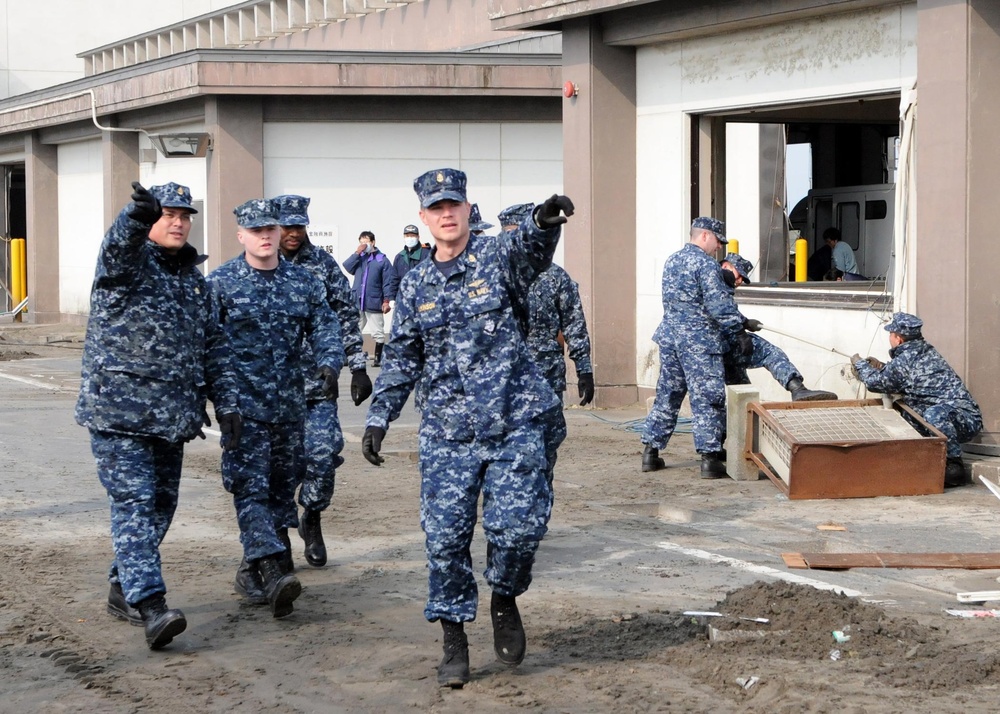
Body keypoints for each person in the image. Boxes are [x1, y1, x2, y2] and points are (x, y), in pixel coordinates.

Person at [360, 167, 574, 688]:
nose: (446, 214)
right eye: (435, 208)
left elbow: (530, 250)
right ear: (423, 217)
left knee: (519, 529)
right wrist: (379, 417)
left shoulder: (497, 258)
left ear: (465, 207)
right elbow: (402, 357)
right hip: (447, 432)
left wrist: (544, 221)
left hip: (514, 421)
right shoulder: (415, 285)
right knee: (445, 538)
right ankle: (453, 637)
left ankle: (504, 595)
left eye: (452, 204)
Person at [76, 181, 242, 650]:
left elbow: (214, 346)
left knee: (161, 507)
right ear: (152, 220)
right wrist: (133, 219)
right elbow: (116, 249)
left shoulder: (194, 282)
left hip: (171, 417)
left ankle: (122, 585)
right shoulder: (127, 265)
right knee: (136, 503)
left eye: (185, 216)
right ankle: (151, 604)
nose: (178, 223)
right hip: (120, 413)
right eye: (168, 214)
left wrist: (226, 403)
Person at [207, 198, 344, 618]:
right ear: (241, 235)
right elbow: (206, 343)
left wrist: (329, 362)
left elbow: (325, 324)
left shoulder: (302, 281)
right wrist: (215, 399)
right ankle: (271, 567)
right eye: (256, 230)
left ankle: (253, 570)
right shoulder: (221, 283)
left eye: (270, 229)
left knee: (284, 487)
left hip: (290, 405)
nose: (265, 236)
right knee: (251, 488)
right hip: (242, 407)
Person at [274, 194, 373, 571]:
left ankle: (311, 517)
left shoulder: (322, 264)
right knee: (279, 466)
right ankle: (278, 538)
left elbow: (345, 313)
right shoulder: (261, 262)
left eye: (299, 226)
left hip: (318, 383)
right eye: (287, 226)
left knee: (323, 454)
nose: (293, 233)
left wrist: (358, 366)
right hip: (274, 389)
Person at [640, 217, 760, 478]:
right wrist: (739, 330)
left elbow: (687, 301)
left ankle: (650, 452)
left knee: (667, 395)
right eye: (717, 241)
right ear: (705, 236)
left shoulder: (672, 260)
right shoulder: (706, 264)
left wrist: (742, 321)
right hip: (700, 343)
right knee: (708, 398)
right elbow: (718, 305)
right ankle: (710, 458)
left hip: (671, 339)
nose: (719, 247)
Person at [498, 202, 594, 485]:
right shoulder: (492, 275)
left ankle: (539, 495)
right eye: (507, 234)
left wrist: (584, 369)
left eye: (515, 233)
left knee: (547, 441)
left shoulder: (555, 276)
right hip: (503, 377)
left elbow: (574, 323)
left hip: (546, 375)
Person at [851, 312, 982, 488]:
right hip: (960, 418)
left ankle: (953, 467)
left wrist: (861, 365)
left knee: (934, 414)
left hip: (962, 418)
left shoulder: (906, 359)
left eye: (891, 334)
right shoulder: (923, 350)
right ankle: (922, 459)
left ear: (898, 339)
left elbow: (876, 383)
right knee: (908, 411)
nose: (890, 338)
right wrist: (882, 367)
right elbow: (903, 376)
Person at [720, 253, 837, 401]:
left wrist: (745, 322)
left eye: (742, 279)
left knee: (739, 384)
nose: (739, 281)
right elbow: (719, 309)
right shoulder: (717, 285)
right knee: (769, 352)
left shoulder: (706, 279)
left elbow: (724, 311)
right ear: (725, 266)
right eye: (739, 275)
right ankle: (797, 388)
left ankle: (744, 410)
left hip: (708, 350)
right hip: (719, 343)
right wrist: (740, 332)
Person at [344, 230, 398, 367]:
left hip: (374, 301)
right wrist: (357, 252)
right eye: (361, 242)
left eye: (366, 242)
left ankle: (378, 357)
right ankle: (348, 356)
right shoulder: (359, 258)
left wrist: (386, 301)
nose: (364, 244)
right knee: (353, 329)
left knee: (377, 331)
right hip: (358, 300)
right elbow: (347, 266)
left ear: (373, 242)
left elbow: (388, 282)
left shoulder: (382, 260)